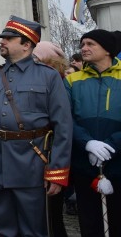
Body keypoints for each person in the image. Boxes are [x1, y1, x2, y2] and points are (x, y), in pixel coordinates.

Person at [0, 16, 73, 237]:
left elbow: (63, 126)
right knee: (2, 226)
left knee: (33, 229)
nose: (2, 41)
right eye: (2, 38)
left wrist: (57, 171)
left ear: (27, 44)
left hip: (31, 165)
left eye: (9, 38)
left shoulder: (49, 76)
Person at [65, 29, 121, 237]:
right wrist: (87, 143)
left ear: (107, 50)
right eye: (82, 44)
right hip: (84, 163)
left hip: (118, 163)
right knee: (90, 223)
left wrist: (111, 146)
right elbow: (64, 117)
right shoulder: (72, 80)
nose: (84, 48)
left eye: (90, 44)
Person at [32, 41, 71, 237]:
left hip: (49, 153)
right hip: (37, 154)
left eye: (36, 58)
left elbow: (62, 126)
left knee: (51, 217)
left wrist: (57, 170)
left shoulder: (55, 81)